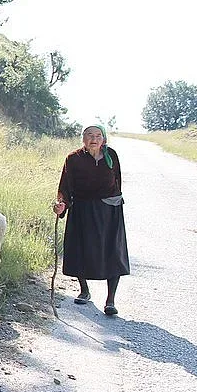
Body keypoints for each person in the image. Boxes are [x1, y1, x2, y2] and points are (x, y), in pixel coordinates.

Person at [52, 124, 130, 316]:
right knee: (80, 249)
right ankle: (84, 290)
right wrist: (62, 204)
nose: (94, 139)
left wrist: (115, 201)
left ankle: (110, 300)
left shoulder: (112, 156)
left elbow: (118, 182)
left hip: (109, 211)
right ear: (83, 139)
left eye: (98, 135)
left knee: (112, 251)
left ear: (104, 139)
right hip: (82, 209)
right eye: (89, 135)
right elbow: (66, 186)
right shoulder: (73, 158)